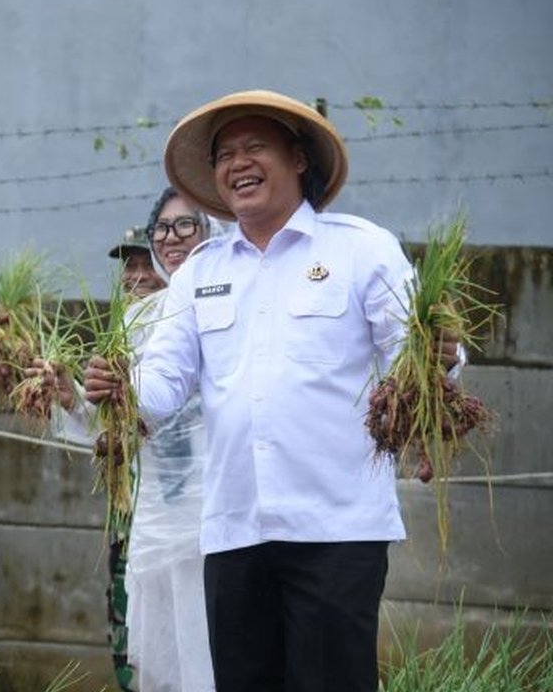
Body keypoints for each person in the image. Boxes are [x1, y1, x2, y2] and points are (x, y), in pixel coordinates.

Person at [84, 90, 462, 692]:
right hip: (234, 531)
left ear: (299, 159)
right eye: (225, 154)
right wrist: (118, 388)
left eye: (254, 146)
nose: (238, 163)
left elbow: (413, 364)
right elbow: (161, 386)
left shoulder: (361, 249)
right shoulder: (203, 272)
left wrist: (439, 360)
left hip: (336, 529)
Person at [41, 189, 216, 692]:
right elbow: (117, 429)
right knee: (149, 649)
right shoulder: (134, 328)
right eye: (130, 265)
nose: (137, 276)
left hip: (214, 517)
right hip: (149, 517)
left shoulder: (218, 304)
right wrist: (72, 398)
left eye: (146, 263)